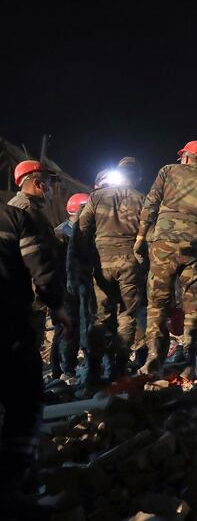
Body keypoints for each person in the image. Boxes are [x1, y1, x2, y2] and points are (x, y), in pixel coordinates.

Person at [0, 202, 70, 518]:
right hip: (7, 326)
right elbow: (41, 266)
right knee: (25, 400)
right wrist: (55, 304)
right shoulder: (13, 217)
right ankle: (11, 483)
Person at [136, 141, 197, 379]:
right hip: (194, 248)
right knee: (192, 307)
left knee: (157, 304)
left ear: (186, 157)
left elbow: (150, 204)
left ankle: (154, 360)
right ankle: (190, 364)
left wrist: (140, 238)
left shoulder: (167, 171)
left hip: (162, 246)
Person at [77, 160, 145, 385]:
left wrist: (85, 261)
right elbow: (149, 236)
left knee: (100, 316)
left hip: (101, 262)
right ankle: (118, 369)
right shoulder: (141, 198)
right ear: (136, 176)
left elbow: (82, 230)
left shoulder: (97, 197)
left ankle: (94, 373)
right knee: (127, 316)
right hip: (130, 262)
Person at [7, 160, 62, 361]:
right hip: (29, 294)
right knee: (28, 344)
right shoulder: (27, 210)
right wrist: (51, 297)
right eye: (49, 182)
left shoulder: (16, 207)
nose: (51, 189)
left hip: (20, 292)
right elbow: (37, 258)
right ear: (39, 183)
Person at [51, 193, 89, 379]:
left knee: (77, 327)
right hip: (64, 287)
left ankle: (67, 369)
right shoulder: (60, 233)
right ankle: (63, 371)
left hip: (79, 285)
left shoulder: (84, 230)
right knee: (66, 329)